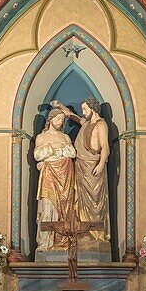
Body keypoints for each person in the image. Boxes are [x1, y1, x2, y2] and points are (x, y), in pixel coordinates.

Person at [50, 97, 110, 252]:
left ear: (93, 108)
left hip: (93, 167)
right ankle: (84, 235)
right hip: (80, 167)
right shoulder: (86, 123)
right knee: (80, 202)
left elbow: (105, 147)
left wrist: (102, 164)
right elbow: (71, 115)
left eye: (85, 109)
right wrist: (60, 105)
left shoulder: (101, 125)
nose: (83, 112)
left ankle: (96, 236)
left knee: (95, 203)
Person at [33, 107, 76, 253]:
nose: (60, 123)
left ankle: (63, 241)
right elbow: (38, 155)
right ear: (50, 119)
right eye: (58, 119)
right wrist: (53, 147)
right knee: (48, 208)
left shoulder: (65, 137)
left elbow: (71, 152)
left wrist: (52, 153)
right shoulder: (41, 137)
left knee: (65, 209)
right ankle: (45, 244)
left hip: (65, 177)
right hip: (49, 177)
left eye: (62, 120)